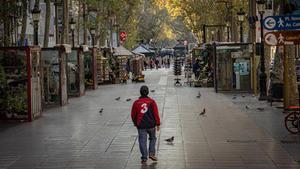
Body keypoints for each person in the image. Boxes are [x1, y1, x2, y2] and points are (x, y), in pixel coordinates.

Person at [131, 85, 161, 163]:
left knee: (142, 141)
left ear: (140, 92)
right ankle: (151, 153)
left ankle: (144, 157)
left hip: (141, 126)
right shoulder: (152, 102)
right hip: (151, 125)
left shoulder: (136, 102)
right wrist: (158, 124)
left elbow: (133, 114)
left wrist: (135, 123)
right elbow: (156, 113)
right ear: (148, 92)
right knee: (153, 138)